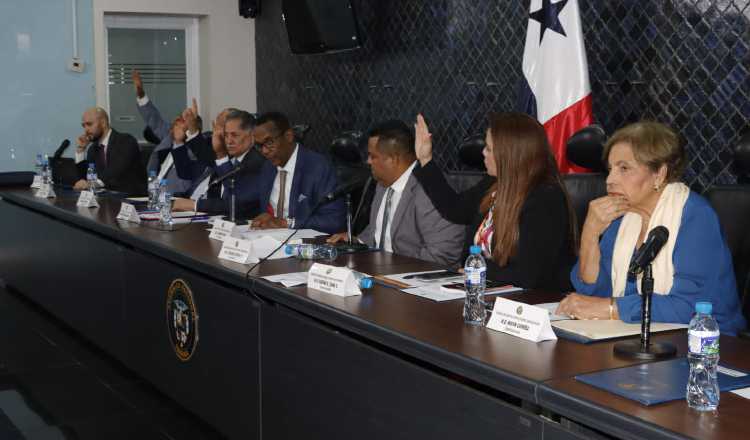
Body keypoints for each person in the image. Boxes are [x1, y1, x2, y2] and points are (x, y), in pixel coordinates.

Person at [557, 121, 746, 334]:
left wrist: (611, 308)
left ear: (659, 174)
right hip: (635, 336)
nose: (610, 180)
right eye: (610, 169)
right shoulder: (622, 218)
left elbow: (691, 306)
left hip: (705, 345)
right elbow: (595, 291)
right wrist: (590, 233)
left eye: (624, 168)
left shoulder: (695, 216)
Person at [413, 113, 577, 290]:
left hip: (531, 304)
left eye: (489, 149)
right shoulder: (495, 183)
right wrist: (425, 159)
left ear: (510, 154)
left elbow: (530, 275)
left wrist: (476, 269)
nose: (483, 152)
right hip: (487, 291)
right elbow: (455, 209)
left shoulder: (545, 197)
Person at [327, 120, 464, 265]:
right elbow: (379, 232)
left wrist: (391, 268)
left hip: (417, 279)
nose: (368, 161)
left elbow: (443, 253)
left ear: (393, 160)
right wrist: (356, 241)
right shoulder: (383, 183)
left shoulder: (434, 188)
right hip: (379, 271)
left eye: (373, 156)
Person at [249, 112, 345, 234]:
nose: (264, 151)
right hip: (268, 240)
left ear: (289, 136)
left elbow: (334, 221)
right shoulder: (268, 167)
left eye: (269, 142)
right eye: (259, 146)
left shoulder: (318, 167)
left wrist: (286, 223)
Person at [172, 110, 265, 217]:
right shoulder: (234, 159)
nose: (229, 141)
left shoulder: (256, 163)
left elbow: (236, 201)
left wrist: (195, 205)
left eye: (234, 135)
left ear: (252, 137)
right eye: (226, 135)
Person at [133, 69, 198, 195]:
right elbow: (154, 118)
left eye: (182, 121)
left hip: (174, 199)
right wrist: (141, 93)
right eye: (177, 118)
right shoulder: (168, 136)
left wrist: (192, 130)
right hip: (152, 194)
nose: (176, 122)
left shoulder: (194, 150)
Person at [73, 107, 146, 195]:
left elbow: (115, 170)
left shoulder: (126, 141)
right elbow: (86, 178)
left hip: (132, 200)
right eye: (84, 126)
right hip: (106, 200)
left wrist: (92, 184)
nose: (86, 130)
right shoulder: (93, 149)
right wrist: (80, 150)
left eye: (89, 124)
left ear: (103, 123)